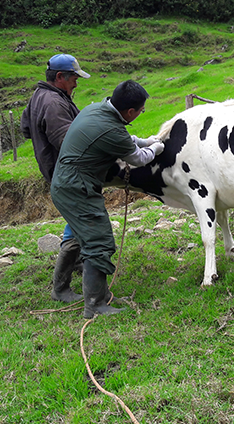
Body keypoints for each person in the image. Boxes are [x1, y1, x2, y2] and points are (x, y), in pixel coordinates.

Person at [50, 80, 164, 318]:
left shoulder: (97, 109)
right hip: (77, 189)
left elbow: (126, 139)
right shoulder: (111, 129)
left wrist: (147, 141)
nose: (141, 114)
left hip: (65, 184)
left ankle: (60, 289)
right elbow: (138, 158)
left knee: (80, 235)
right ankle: (95, 304)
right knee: (99, 242)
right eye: (141, 110)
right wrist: (157, 148)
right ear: (130, 112)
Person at [21, 53, 90, 303]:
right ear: (60, 77)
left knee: (75, 219)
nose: (76, 83)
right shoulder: (54, 103)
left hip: (56, 170)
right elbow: (69, 142)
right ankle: (60, 288)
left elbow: (27, 129)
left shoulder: (40, 97)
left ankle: (80, 263)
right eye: (73, 78)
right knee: (78, 223)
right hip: (69, 172)